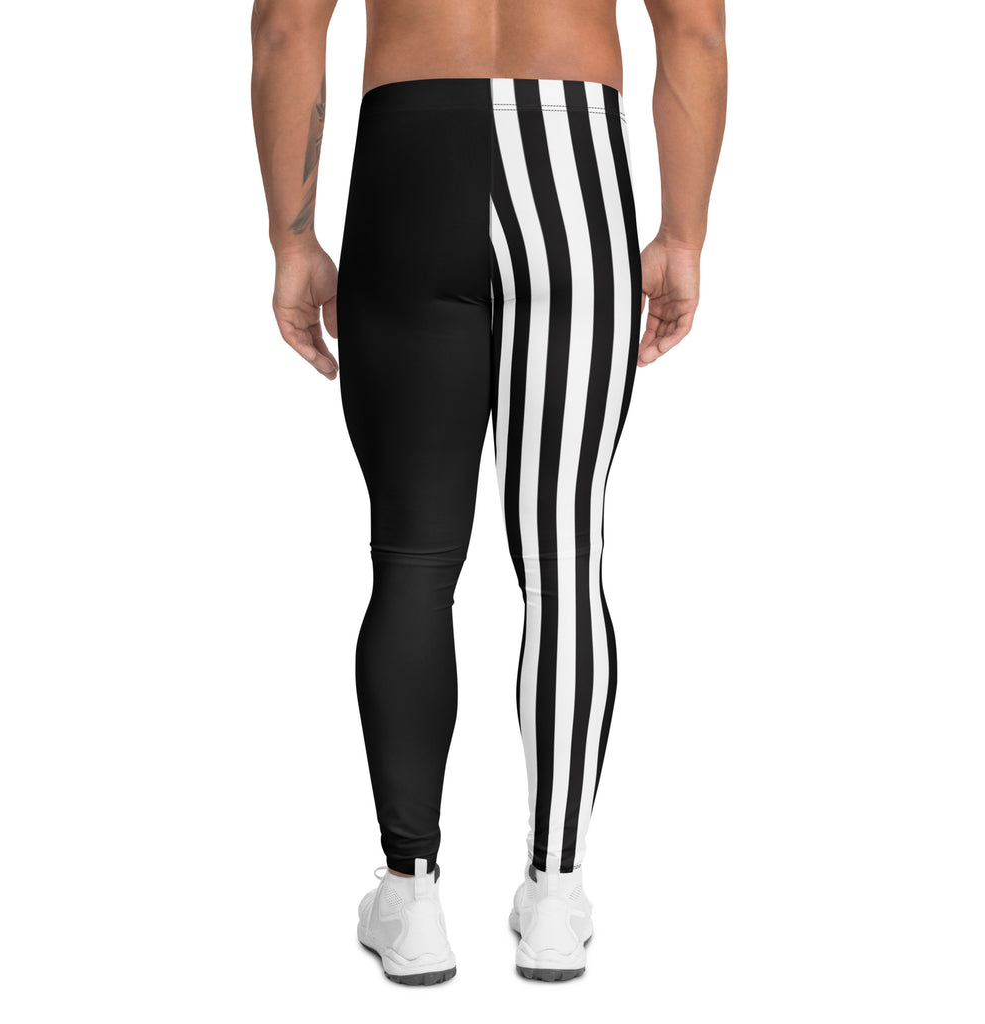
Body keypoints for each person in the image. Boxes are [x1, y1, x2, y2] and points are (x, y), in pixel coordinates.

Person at [250, 0, 726, 985]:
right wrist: (682, 234)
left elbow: (288, 26)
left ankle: (411, 897)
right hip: (572, 169)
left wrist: (292, 242)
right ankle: (555, 895)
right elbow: (693, 28)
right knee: (563, 561)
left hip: (411, 161)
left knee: (413, 559)